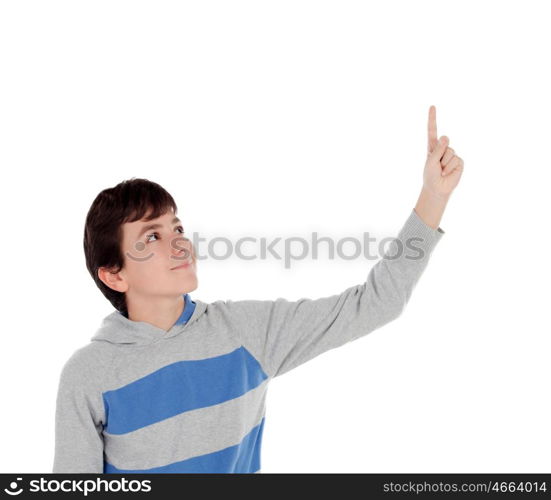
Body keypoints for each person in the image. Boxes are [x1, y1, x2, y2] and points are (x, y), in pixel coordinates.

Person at [52, 105, 464, 473]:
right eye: (152, 237)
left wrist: (432, 197)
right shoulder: (89, 375)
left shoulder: (245, 331)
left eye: (177, 227)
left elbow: (375, 304)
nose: (179, 242)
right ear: (114, 275)